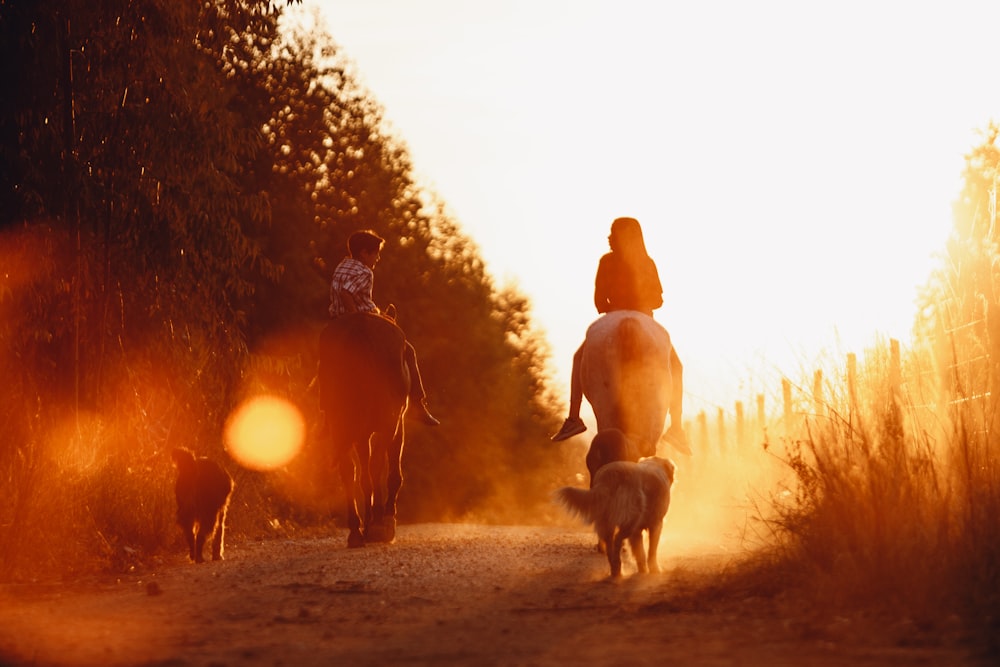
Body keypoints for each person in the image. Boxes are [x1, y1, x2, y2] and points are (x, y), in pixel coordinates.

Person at [550, 217, 685, 447]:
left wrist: (614, 308)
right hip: (645, 317)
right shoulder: (647, 262)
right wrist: (640, 306)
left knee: (578, 358)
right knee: (677, 367)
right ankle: (677, 428)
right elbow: (659, 300)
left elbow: (599, 300)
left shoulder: (606, 262)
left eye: (613, 233)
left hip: (611, 315)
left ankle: (573, 418)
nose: (610, 237)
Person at [329, 229, 440, 426]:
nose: (378, 258)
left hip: (336, 322)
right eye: (376, 253)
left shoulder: (342, 266)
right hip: (361, 320)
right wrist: (356, 319)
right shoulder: (365, 272)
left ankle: (325, 414)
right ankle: (416, 404)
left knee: (325, 368)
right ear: (364, 253)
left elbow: (346, 293)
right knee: (408, 351)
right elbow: (347, 293)